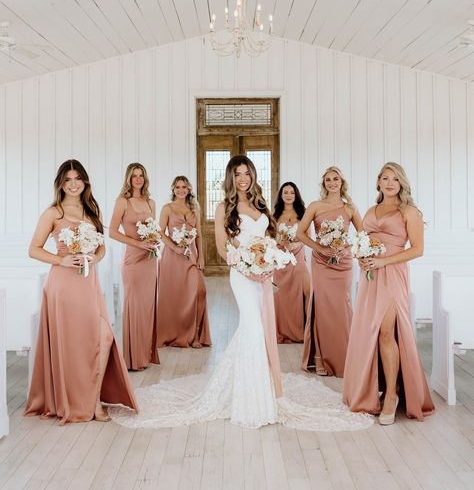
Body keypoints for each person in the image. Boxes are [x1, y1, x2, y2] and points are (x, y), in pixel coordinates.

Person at [108, 156, 371, 431]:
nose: (243, 178)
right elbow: (223, 249)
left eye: (247, 173)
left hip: (263, 275)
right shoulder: (224, 207)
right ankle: (251, 400)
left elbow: (269, 239)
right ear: (231, 178)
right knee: (254, 328)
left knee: (259, 331)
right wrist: (247, 265)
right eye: (238, 174)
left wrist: (267, 262)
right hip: (242, 274)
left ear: (253, 176)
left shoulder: (260, 205)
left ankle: (257, 389)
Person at [24, 159, 138, 424]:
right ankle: (91, 404)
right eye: (68, 180)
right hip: (63, 284)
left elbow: (101, 246)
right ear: (61, 184)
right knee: (73, 344)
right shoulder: (54, 213)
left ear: (85, 181)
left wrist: (96, 257)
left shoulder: (91, 208)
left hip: (89, 283)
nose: (73, 184)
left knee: (103, 336)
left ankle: (93, 397)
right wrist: (61, 259)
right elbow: (33, 249)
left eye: (78, 179)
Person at [343, 162, 435, 425]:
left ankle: (392, 395)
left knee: (386, 332)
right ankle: (372, 390)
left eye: (395, 179)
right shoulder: (371, 210)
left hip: (393, 275)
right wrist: (363, 257)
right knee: (368, 332)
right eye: (385, 178)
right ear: (378, 183)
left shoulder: (409, 212)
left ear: (401, 183)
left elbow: (417, 249)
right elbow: (365, 242)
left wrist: (383, 262)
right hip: (370, 277)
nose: (390, 183)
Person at [297, 167, 362, 377]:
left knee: (342, 307)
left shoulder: (350, 208)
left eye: (335, 179)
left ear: (342, 182)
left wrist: (347, 246)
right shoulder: (315, 206)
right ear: (323, 183)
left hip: (342, 264)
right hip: (321, 263)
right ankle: (320, 358)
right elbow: (300, 233)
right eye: (328, 180)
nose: (332, 183)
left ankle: (346, 357)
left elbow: (364, 236)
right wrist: (321, 248)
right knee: (322, 307)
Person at [109, 163, 160, 370]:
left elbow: (153, 230)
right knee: (133, 306)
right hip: (132, 261)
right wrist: (139, 243)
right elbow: (112, 231)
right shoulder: (122, 202)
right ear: (128, 179)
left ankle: (145, 354)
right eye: (134, 176)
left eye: (141, 176)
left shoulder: (151, 203)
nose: (137, 179)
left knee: (147, 307)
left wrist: (154, 242)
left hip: (150, 259)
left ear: (145, 178)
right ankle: (133, 358)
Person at [155, 176, 211, 348]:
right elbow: (160, 233)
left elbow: (199, 234)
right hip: (172, 257)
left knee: (200, 292)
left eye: (184, 187)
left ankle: (195, 335)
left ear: (189, 189)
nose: (181, 190)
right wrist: (175, 247)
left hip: (191, 256)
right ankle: (173, 333)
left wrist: (201, 256)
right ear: (173, 189)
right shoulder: (167, 208)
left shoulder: (195, 209)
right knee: (175, 296)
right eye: (177, 187)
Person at [272, 182, 311, 343]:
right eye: (285, 192)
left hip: (298, 258)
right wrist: (279, 242)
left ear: (296, 195)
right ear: (281, 195)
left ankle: (305, 331)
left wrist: (296, 243)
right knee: (281, 296)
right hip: (280, 260)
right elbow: (270, 237)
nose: (288, 195)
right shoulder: (274, 214)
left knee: (307, 291)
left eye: (292, 192)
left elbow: (307, 237)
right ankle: (282, 331)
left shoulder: (303, 213)